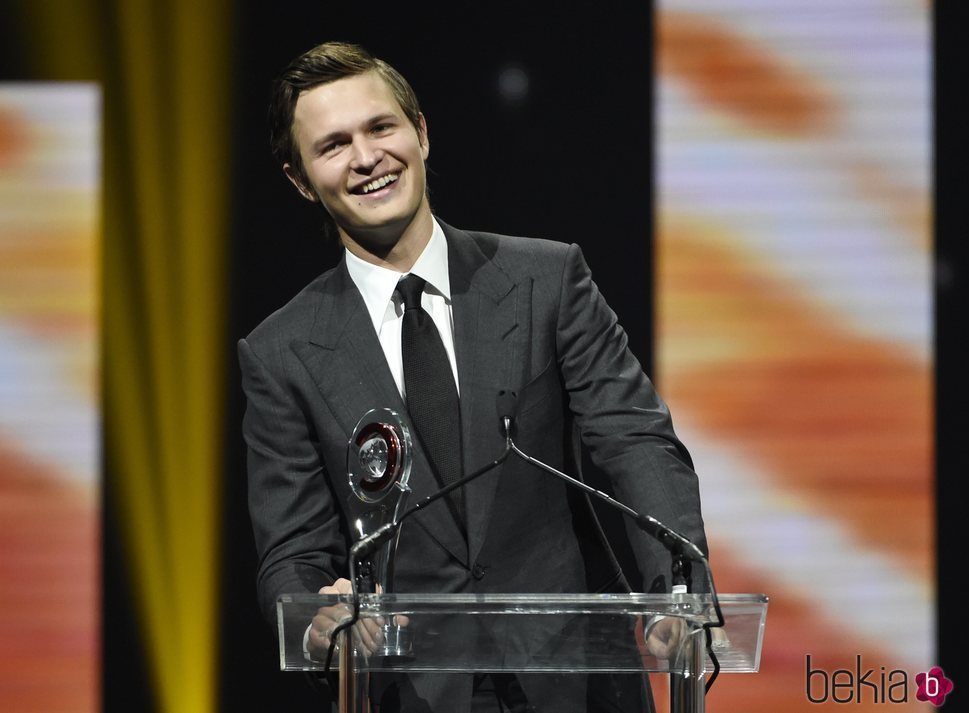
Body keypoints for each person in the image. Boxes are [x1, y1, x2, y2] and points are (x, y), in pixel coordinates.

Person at [239, 41, 708, 712]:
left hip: (575, 680)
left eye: (381, 127)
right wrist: (316, 614)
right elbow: (291, 549)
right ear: (299, 179)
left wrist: (678, 589)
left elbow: (636, 441)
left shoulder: (546, 281)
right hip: (414, 690)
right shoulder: (280, 352)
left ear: (421, 133)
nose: (368, 156)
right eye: (333, 145)